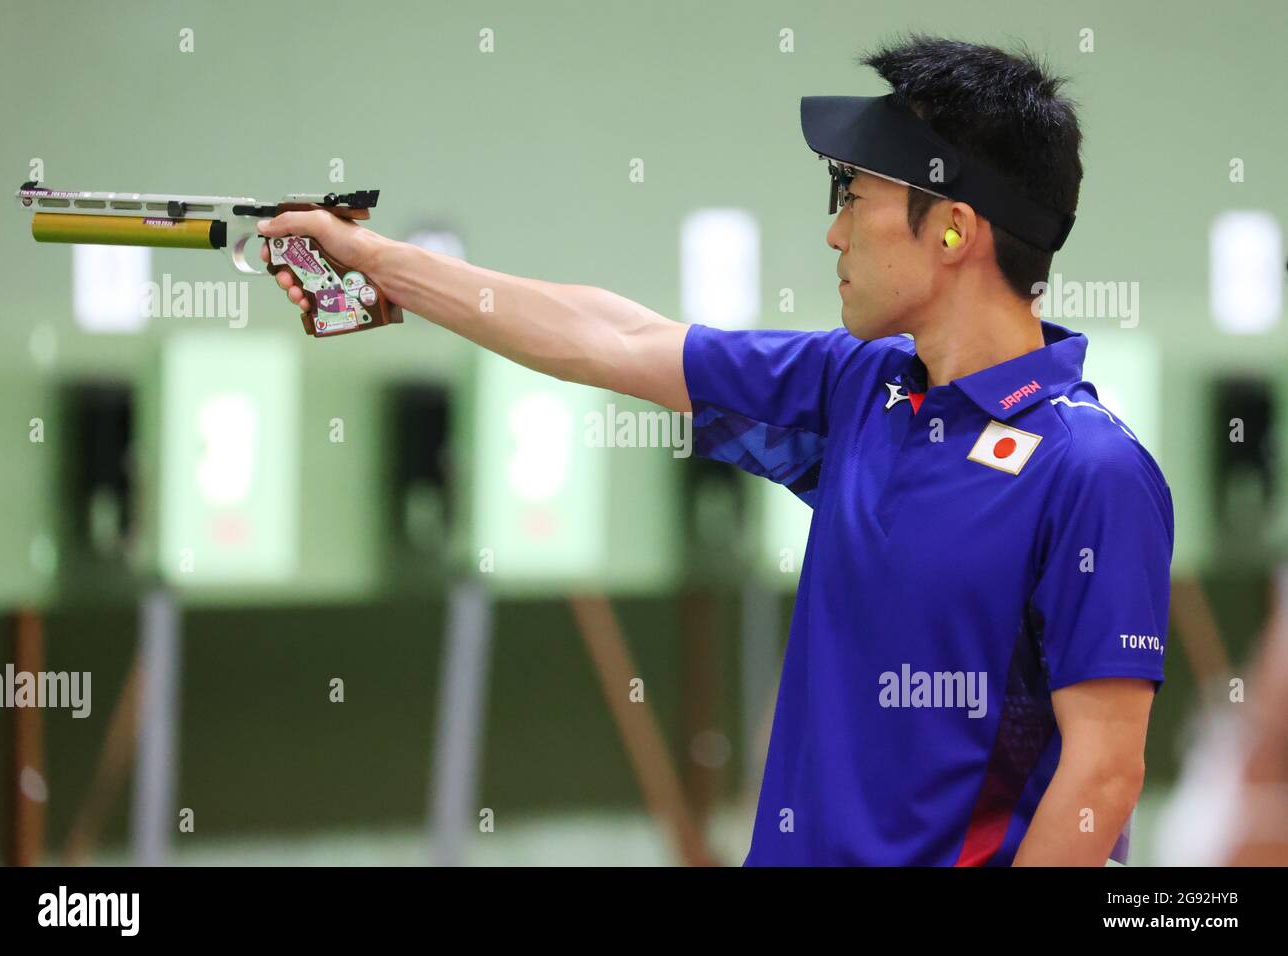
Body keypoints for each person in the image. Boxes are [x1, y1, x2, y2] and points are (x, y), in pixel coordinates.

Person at [257, 34, 1174, 866]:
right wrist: (378, 262)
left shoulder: (1090, 471)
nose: (834, 230)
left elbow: (1100, 781)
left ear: (952, 229)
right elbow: (616, 338)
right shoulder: (862, 387)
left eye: (853, 196)